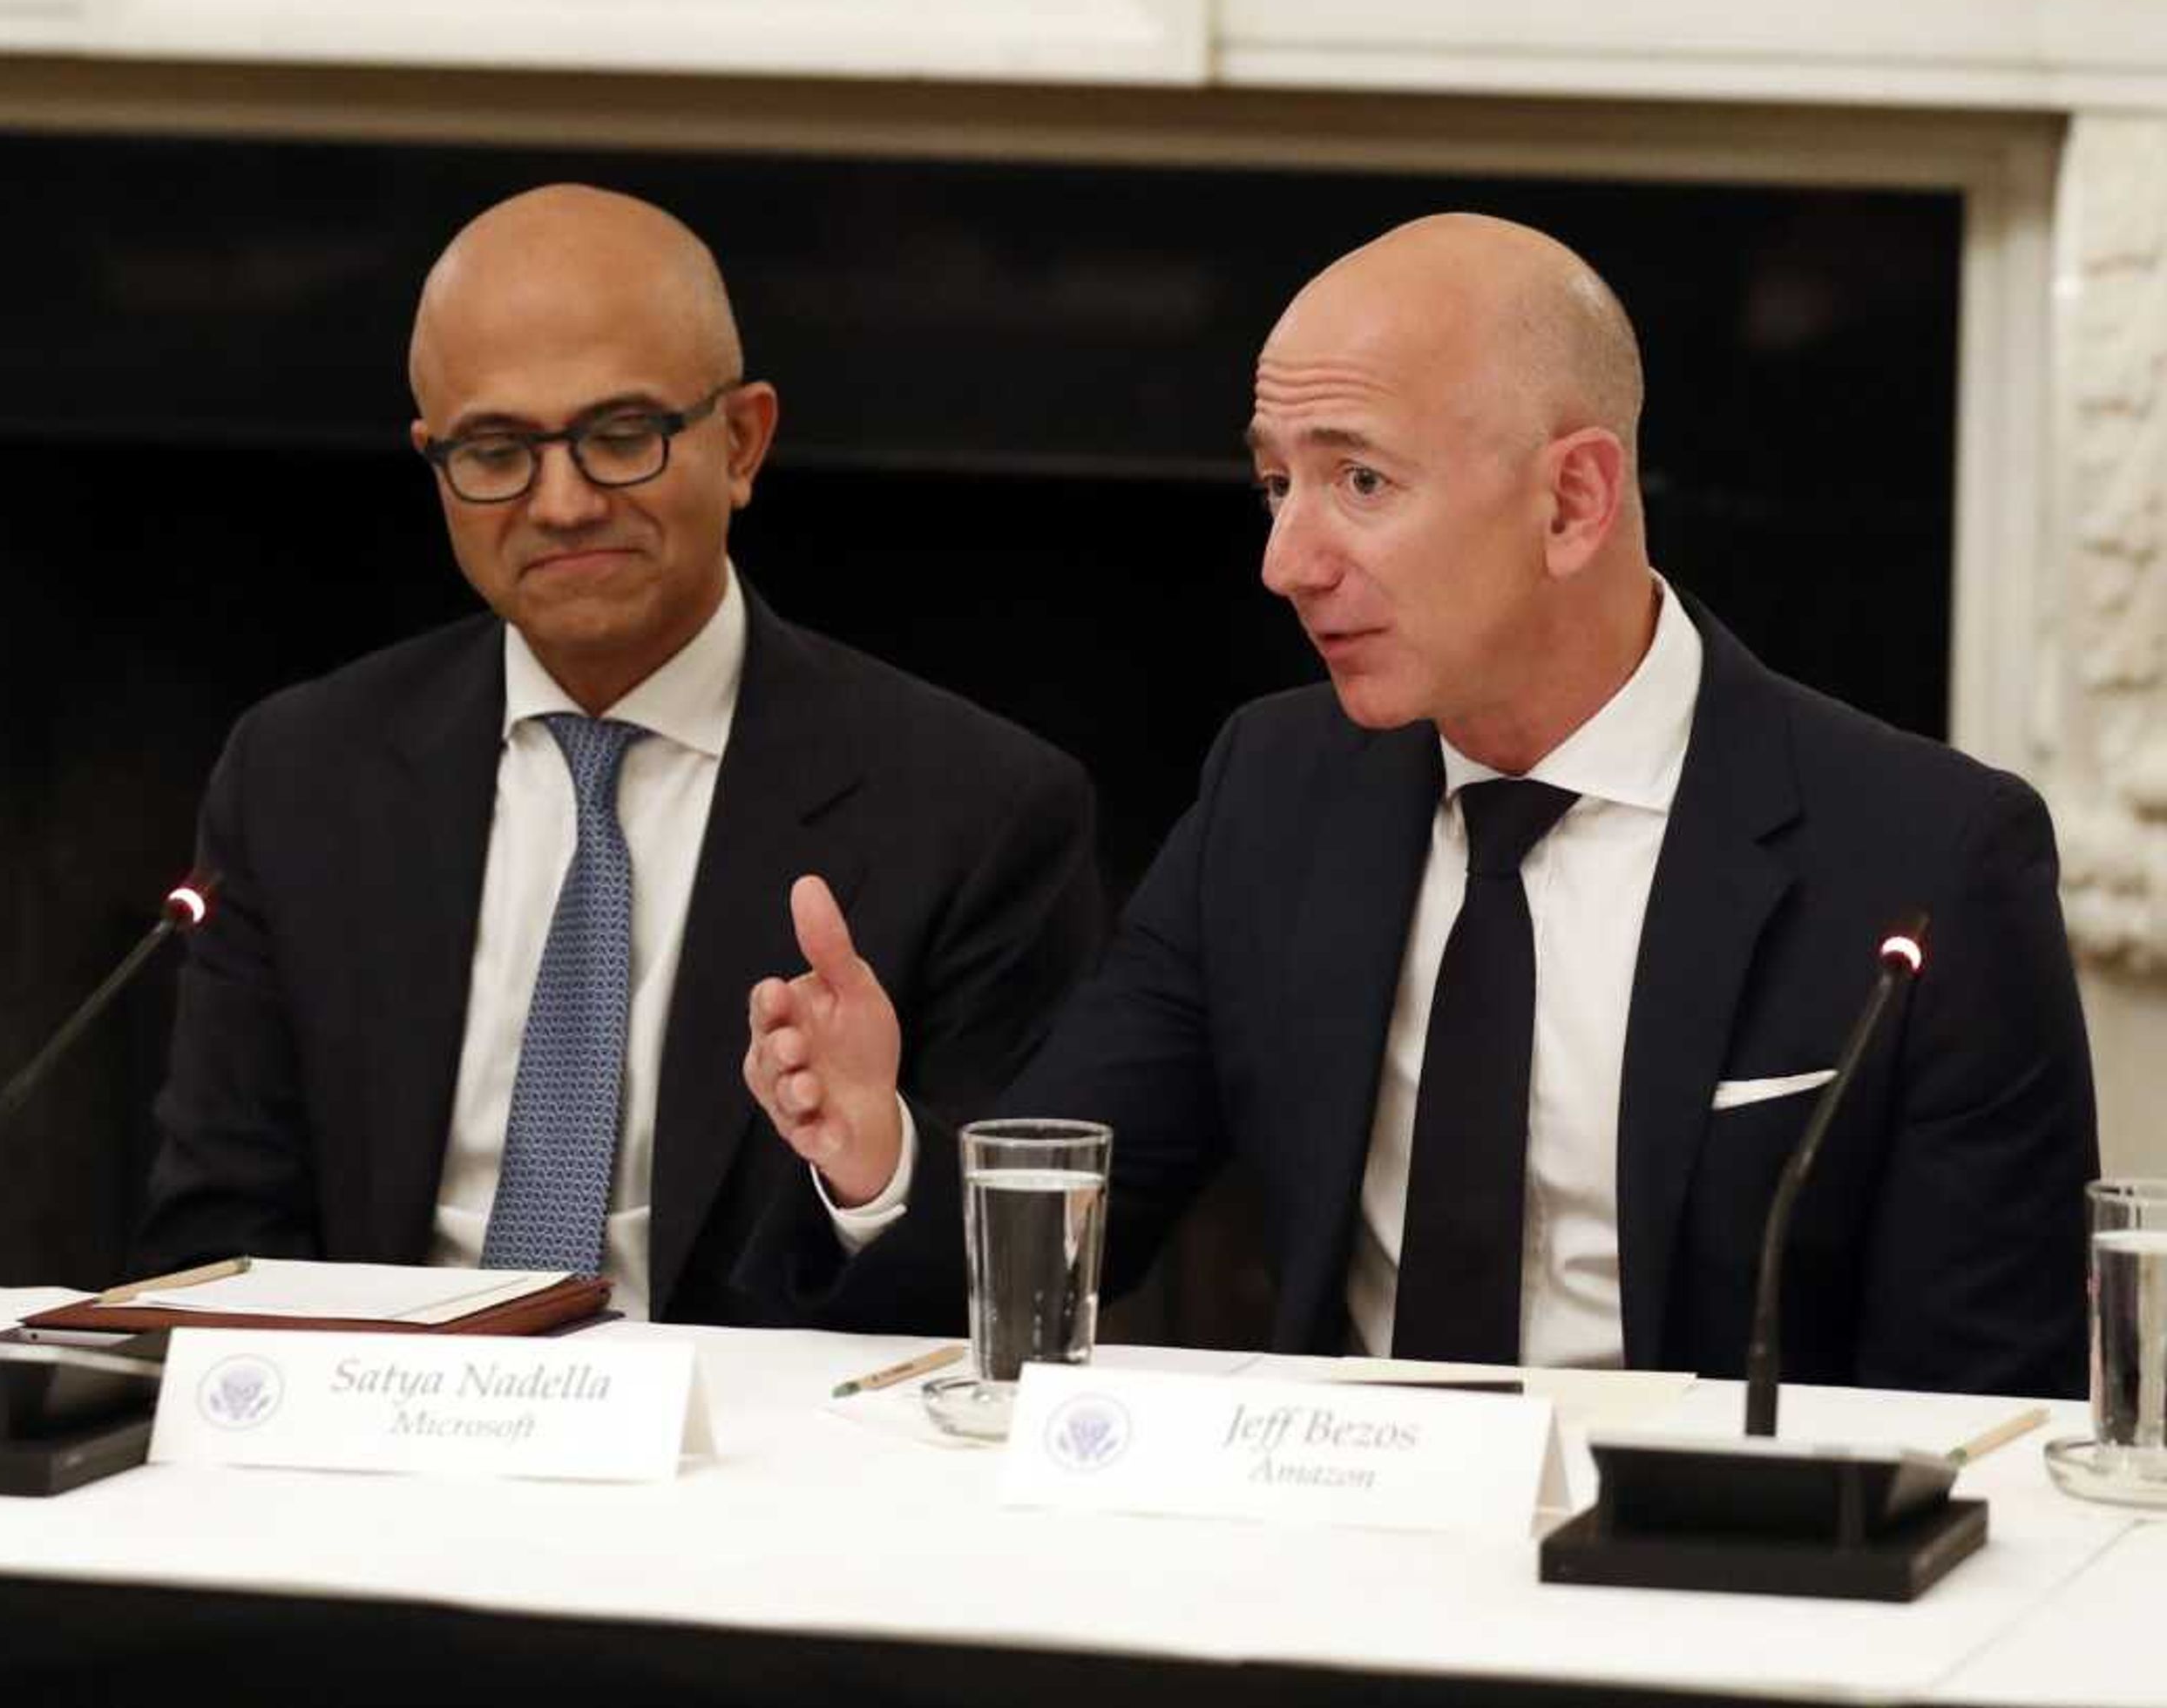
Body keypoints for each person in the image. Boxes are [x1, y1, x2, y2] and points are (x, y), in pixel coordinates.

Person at [744, 213, 2096, 1393]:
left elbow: (1986, 1409)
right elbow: (1066, 1235)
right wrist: (884, 1162)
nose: (1286, 560)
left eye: (1360, 481)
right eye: (1276, 482)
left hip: (1716, 1596)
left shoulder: (1928, 855)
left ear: (1573, 500)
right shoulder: (1273, 794)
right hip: (1331, 1555)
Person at [136, 184, 1101, 1323]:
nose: (563, 501)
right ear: (433, 463)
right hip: (375, 1435)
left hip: (755, 1469)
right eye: (494, 449)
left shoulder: (974, 809)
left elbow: (1023, 1296)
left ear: (741, 441)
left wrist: (872, 1161)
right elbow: (216, 1229)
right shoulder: (301, 773)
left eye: (621, 435)